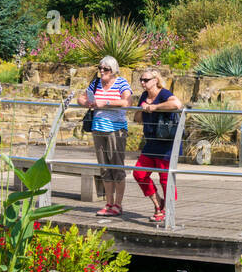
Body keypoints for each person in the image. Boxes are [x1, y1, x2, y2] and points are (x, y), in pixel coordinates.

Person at [76, 56, 132, 216]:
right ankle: (109, 203)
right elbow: (81, 97)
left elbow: (127, 102)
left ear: (113, 71)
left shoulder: (121, 83)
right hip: (98, 128)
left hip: (116, 129)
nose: (101, 71)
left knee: (117, 167)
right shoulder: (95, 83)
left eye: (105, 69)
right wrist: (85, 103)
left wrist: (105, 103)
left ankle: (118, 205)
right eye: (100, 68)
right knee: (105, 168)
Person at [133, 68, 183, 222]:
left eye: (146, 80)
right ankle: (158, 203)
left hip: (165, 143)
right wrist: (142, 109)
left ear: (155, 80)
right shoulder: (143, 95)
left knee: (165, 179)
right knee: (139, 173)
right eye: (141, 79)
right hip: (151, 143)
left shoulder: (163, 93)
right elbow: (137, 118)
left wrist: (154, 107)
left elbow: (177, 104)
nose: (142, 82)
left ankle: (168, 211)